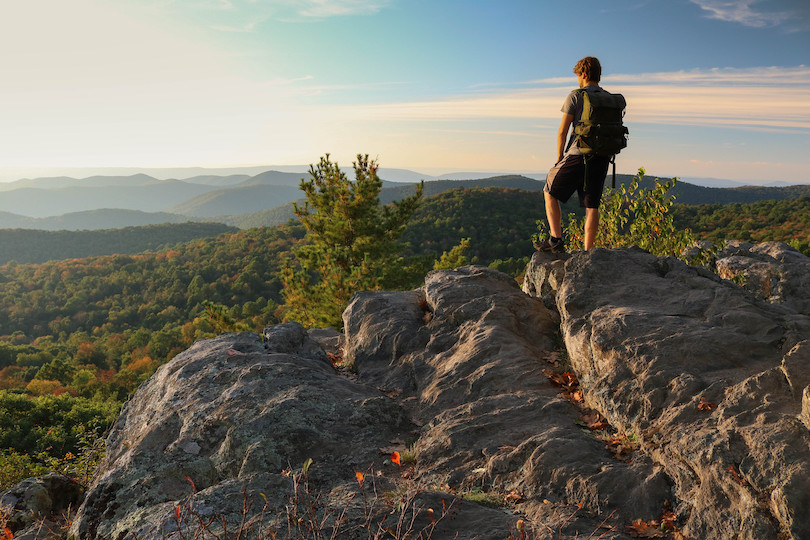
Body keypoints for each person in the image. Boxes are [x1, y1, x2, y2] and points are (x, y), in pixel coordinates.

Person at [536, 56, 612, 253]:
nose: (578, 79)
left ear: (584, 74)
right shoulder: (608, 98)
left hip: (578, 154)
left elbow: (563, 130)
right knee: (592, 205)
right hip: (602, 156)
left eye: (578, 75)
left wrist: (559, 157)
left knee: (549, 190)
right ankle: (588, 252)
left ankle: (556, 240)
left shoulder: (576, 96)